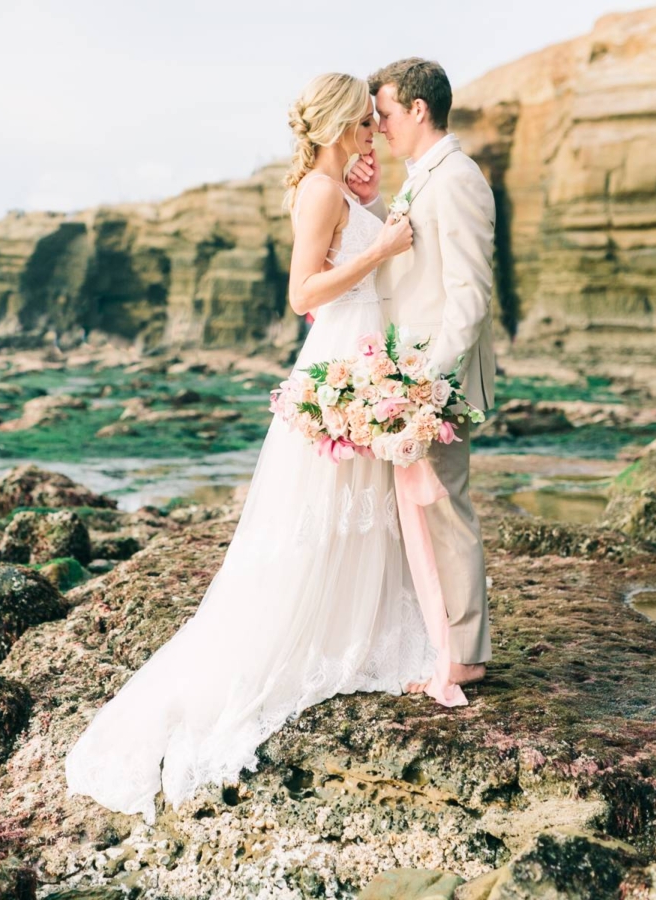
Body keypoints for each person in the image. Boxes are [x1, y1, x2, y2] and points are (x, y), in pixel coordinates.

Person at [64, 73, 434, 826]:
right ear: (337, 124)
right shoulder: (320, 193)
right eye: (364, 123)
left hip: (358, 352)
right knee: (326, 510)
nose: (373, 132)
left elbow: (340, 258)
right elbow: (304, 294)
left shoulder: (335, 188)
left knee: (355, 509)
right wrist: (386, 241)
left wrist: (368, 204)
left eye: (376, 121)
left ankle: (353, 630)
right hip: (338, 353)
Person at [347, 58, 496, 685]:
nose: (378, 126)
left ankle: (464, 656)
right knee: (420, 509)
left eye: (383, 112)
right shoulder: (424, 177)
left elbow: (469, 294)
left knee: (443, 507)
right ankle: (447, 645)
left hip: (438, 382)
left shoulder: (456, 177)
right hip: (411, 382)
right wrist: (372, 203)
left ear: (417, 109)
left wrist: (429, 385)